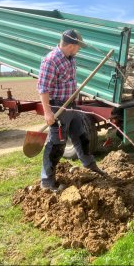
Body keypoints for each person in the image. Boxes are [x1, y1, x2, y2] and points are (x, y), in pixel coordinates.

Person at [37, 29, 107, 192]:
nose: (79, 49)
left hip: (71, 106)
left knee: (82, 136)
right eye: (78, 47)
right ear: (71, 45)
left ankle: (90, 165)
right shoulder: (51, 60)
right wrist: (48, 113)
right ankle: (47, 181)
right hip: (57, 107)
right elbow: (43, 88)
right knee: (56, 144)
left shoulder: (70, 59)